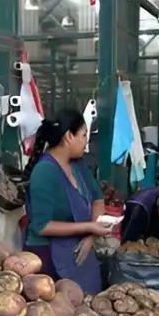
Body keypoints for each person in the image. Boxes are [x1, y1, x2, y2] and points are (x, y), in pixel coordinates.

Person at [23, 109, 110, 293]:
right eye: (84, 135)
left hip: (80, 251)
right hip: (47, 257)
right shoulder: (45, 171)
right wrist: (89, 228)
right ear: (69, 136)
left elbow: (97, 198)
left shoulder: (77, 164)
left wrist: (90, 238)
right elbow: (42, 225)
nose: (86, 141)